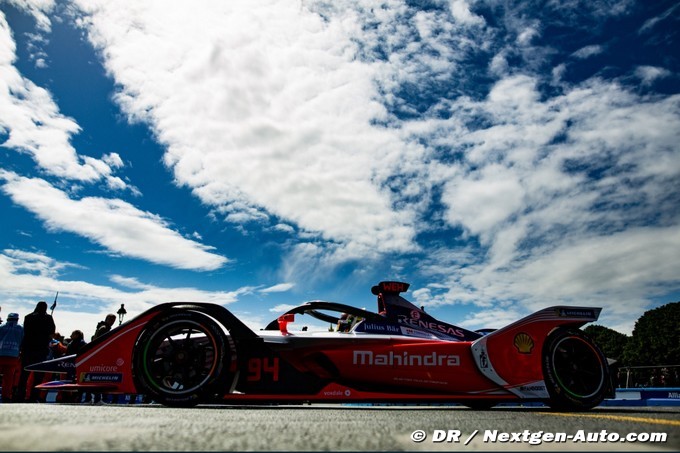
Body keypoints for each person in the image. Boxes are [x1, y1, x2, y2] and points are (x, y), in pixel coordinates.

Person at [17, 301, 56, 402]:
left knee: (24, 375)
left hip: (28, 349)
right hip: (41, 350)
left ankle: (20, 396)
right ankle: (34, 397)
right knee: (38, 375)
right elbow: (52, 333)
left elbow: (25, 331)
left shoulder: (28, 317)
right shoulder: (48, 318)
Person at [0, 313, 24, 403]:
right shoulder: (21, 329)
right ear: (17, 319)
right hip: (13, 355)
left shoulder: (1, 327)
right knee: (8, 378)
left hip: (1, 354)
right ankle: (6, 396)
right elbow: (23, 341)